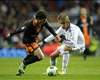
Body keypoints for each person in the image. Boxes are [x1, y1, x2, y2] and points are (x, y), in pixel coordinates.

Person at [7, 11, 61, 76]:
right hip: (28, 41)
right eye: (43, 20)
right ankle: (24, 63)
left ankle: (22, 66)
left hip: (34, 40)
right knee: (40, 56)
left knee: (34, 56)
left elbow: (49, 28)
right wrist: (11, 34)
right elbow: (20, 29)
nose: (45, 21)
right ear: (38, 19)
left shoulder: (43, 22)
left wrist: (56, 35)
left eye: (45, 20)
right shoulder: (29, 24)